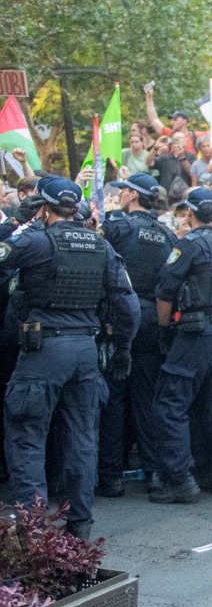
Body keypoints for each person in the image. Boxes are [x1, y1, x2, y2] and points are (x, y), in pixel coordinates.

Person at [0, 177, 139, 538]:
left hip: (43, 348)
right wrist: (123, 349)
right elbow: (128, 305)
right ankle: (79, 525)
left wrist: (20, 223)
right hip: (85, 351)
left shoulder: (36, 241)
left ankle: (32, 530)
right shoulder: (101, 246)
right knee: (82, 438)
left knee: (27, 435)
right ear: (76, 208)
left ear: (43, 208)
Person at [149, 187, 212, 504]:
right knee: (211, 400)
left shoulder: (190, 244)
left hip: (196, 330)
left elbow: (165, 291)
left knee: (169, 403)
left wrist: (163, 330)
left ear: (189, 213)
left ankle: (179, 479)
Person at [97, 172, 177, 498]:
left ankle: (111, 477)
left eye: (122, 191)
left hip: (119, 319)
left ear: (131, 195)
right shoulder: (168, 234)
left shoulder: (116, 228)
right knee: (147, 398)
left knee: (113, 398)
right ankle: (155, 475)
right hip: (154, 320)